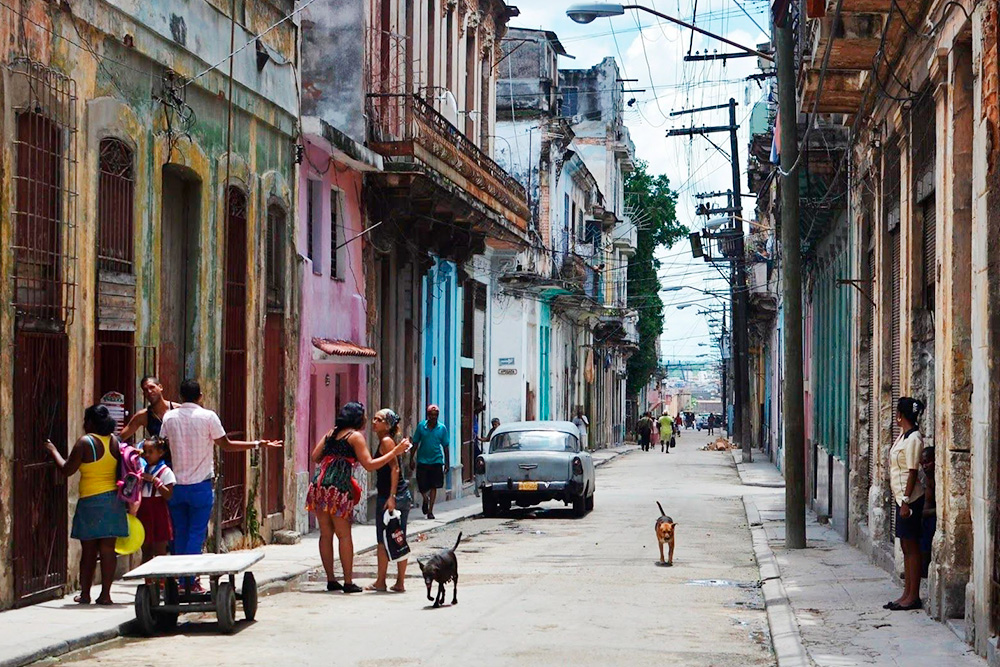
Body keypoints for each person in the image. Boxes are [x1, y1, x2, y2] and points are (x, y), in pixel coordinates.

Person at [160, 378, 281, 593]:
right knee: (196, 534)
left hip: (176, 486)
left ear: (180, 396)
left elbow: (162, 443)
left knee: (180, 532)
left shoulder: (169, 417)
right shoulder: (208, 417)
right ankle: (189, 581)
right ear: (200, 396)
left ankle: (182, 581)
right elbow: (226, 444)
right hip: (200, 486)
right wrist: (256, 444)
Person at [308, 402, 410, 594]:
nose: (367, 419)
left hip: (319, 486)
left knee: (325, 534)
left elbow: (315, 456)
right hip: (338, 487)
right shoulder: (354, 437)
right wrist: (394, 452)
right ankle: (347, 582)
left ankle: (331, 579)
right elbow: (370, 465)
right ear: (356, 418)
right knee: (344, 534)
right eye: (364, 416)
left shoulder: (331, 433)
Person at [43, 405, 126, 605]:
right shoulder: (115, 441)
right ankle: (106, 595)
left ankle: (86, 594)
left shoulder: (85, 442)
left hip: (91, 501)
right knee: (108, 550)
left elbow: (66, 469)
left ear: (89, 422)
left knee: (88, 550)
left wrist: (53, 451)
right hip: (113, 501)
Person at [884, 396, 926, 611]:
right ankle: (906, 593)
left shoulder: (914, 439)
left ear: (900, 415)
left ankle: (913, 596)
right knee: (905, 545)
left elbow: (912, 471)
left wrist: (906, 502)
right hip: (902, 498)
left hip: (910, 500)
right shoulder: (903, 436)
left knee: (911, 546)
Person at [368, 408, 413, 593]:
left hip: (391, 497)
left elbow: (395, 469)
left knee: (383, 540)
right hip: (397, 495)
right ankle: (398, 582)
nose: (374, 422)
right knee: (398, 537)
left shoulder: (386, 442)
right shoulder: (387, 441)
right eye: (374, 418)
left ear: (387, 425)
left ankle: (382, 581)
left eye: (378, 419)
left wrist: (391, 497)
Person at [136, 436, 175, 563]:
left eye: (150, 452)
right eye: (145, 451)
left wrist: (155, 481)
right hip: (144, 510)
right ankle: (148, 582)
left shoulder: (165, 472)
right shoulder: (142, 469)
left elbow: (168, 495)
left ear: (160, 453)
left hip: (158, 511)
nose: (146, 455)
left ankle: (161, 581)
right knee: (146, 549)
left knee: (159, 549)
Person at [411, 405, 450, 520]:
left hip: (436, 460)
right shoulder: (421, 427)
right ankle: (425, 498)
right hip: (422, 460)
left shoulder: (442, 428)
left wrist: (447, 463)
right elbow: (415, 443)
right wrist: (411, 458)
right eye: (431, 415)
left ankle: (430, 511)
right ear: (428, 415)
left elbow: (446, 446)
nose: (433, 417)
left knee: (434, 486)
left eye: (435, 415)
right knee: (422, 485)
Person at [119, 376, 177, 441]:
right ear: (144, 394)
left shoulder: (177, 410)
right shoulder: (143, 416)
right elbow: (120, 438)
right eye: (145, 390)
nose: (149, 391)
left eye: (152, 387)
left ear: (160, 387)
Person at [919, 446, 937, 579]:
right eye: (922, 463)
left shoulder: (936, 478)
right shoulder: (926, 479)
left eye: (927, 462)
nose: (925, 466)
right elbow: (926, 507)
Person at [475, 418, 501, 496]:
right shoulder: (492, 431)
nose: (495, 426)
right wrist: (480, 439)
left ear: (499, 424)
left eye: (496, 424)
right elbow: (488, 439)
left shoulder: (501, 431)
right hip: (494, 451)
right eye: (493, 424)